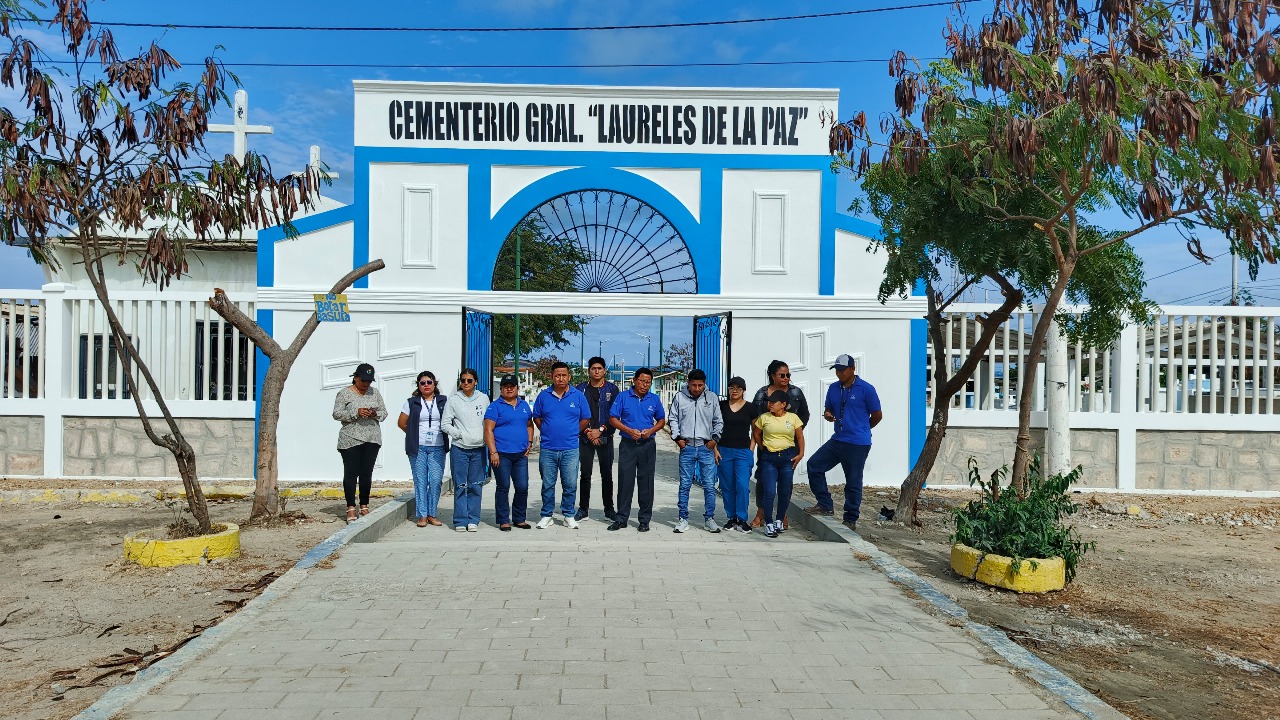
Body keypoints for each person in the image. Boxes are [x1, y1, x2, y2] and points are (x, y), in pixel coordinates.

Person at [804, 353, 883, 531]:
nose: (839, 373)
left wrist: (863, 428)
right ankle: (825, 504)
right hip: (838, 439)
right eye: (837, 370)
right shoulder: (833, 388)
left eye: (843, 369)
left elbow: (877, 415)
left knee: (853, 481)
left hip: (857, 443)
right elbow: (829, 408)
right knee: (814, 465)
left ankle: (850, 518)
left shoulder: (866, 389)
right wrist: (827, 414)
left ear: (853, 369)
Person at [750, 360, 810, 529]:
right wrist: (760, 444)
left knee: (785, 482)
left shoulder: (796, 392)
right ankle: (761, 513)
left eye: (788, 375)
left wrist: (792, 431)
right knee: (763, 480)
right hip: (766, 446)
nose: (786, 378)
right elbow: (754, 419)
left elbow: (804, 415)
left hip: (789, 446)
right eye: (782, 375)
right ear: (772, 376)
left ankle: (782, 515)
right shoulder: (762, 394)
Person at [532, 362, 591, 529]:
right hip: (548, 448)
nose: (561, 378)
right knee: (547, 484)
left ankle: (568, 515)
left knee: (570, 484)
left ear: (569, 377)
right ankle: (547, 515)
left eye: (564, 375)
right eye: (557, 375)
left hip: (570, 448)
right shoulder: (543, 396)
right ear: (551, 377)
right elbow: (537, 417)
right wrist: (547, 430)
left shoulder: (578, 396)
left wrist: (573, 431)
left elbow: (585, 418)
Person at [606, 367, 666, 532]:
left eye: (648, 382)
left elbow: (661, 420)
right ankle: (621, 518)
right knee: (625, 481)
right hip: (628, 444)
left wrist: (651, 430)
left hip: (647, 445)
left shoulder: (654, 399)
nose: (644, 385)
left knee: (646, 482)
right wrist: (628, 430)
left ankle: (644, 520)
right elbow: (613, 418)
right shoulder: (623, 397)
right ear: (634, 380)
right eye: (642, 381)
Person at [668, 368, 724, 533]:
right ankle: (683, 519)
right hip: (687, 447)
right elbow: (673, 418)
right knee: (685, 484)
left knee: (709, 485)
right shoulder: (680, 397)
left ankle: (709, 519)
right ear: (688, 383)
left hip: (706, 447)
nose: (697, 388)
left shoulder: (711, 397)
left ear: (704, 384)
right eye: (694, 385)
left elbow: (718, 421)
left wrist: (714, 440)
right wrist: (677, 438)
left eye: (700, 385)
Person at [332, 363, 387, 523]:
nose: (366, 384)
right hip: (350, 439)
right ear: (355, 377)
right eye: (363, 380)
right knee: (351, 473)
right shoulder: (344, 393)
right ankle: (350, 507)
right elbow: (336, 414)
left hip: (372, 438)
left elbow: (384, 413)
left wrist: (374, 413)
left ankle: (364, 505)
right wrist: (355, 413)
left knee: (366, 473)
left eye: (369, 381)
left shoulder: (375, 393)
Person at [399, 370, 449, 528]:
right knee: (420, 481)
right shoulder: (411, 402)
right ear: (418, 385)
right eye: (422, 383)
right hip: (418, 448)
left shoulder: (443, 401)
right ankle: (422, 515)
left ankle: (432, 513)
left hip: (438, 447)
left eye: (429, 382)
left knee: (435, 480)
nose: (426, 385)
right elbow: (401, 423)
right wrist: (413, 434)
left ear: (434, 384)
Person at [484, 375, 535, 531]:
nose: (509, 389)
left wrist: (529, 442)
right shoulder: (495, 406)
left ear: (517, 388)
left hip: (521, 454)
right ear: (501, 389)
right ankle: (503, 520)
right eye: (506, 386)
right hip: (501, 454)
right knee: (503, 486)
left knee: (522, 487)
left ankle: (519, 518)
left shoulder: (524, 405)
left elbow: (529, 424)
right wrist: (493, 452)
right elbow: (488, 430)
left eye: (512, 386)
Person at [752, 390, 805, 539]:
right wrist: (763, 448)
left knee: (784, 491)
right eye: (769, 402)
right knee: (769, 491)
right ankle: (768, 523)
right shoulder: (764, 417)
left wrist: (801, 453)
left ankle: (779, 520)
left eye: (773, 402)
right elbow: (756, 433)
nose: (769, 404)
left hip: (787, 457)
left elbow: (800, 437)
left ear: (783, 404)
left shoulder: (793, 418)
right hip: (769, 458)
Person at [442, 368, 489, 532]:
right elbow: (445, 424)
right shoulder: (454, 400)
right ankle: (460, 520)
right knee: (460, 485)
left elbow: (488, 421)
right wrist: (459, 434)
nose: (466, 383)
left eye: (469, 380)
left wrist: (486, 439)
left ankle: (473, 519)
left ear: (476, 382)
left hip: (479, 449)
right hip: (460, 448)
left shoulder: (483, 398)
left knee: (476, 485)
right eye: (463, 380)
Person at [575, 356, 620, 522]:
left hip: (605, 437)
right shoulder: (580, 389)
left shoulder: (612, 389)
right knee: (585, 475)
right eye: (593, 368)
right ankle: (583, 509)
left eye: (599, 368)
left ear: (604, 371)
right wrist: (588, 431)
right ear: (589, 371)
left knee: (606, 475)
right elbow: (577, 414)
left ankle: (609, 509)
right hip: (585, 437)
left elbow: (615, 415)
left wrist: (600, 431)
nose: (596, 371)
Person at [716, 376, 755, 533]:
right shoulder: (721, 406)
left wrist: (751, 450)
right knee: (727, 486)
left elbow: (756, 432)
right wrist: (715, 449)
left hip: (743, 451)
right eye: (731, 387)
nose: (734, 390)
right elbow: (714, 427)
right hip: (724, 450)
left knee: (742, 485)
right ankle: (731, 518)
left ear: (743, 390)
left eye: (738, 388)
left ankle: (742, 519)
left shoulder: (750, 408)